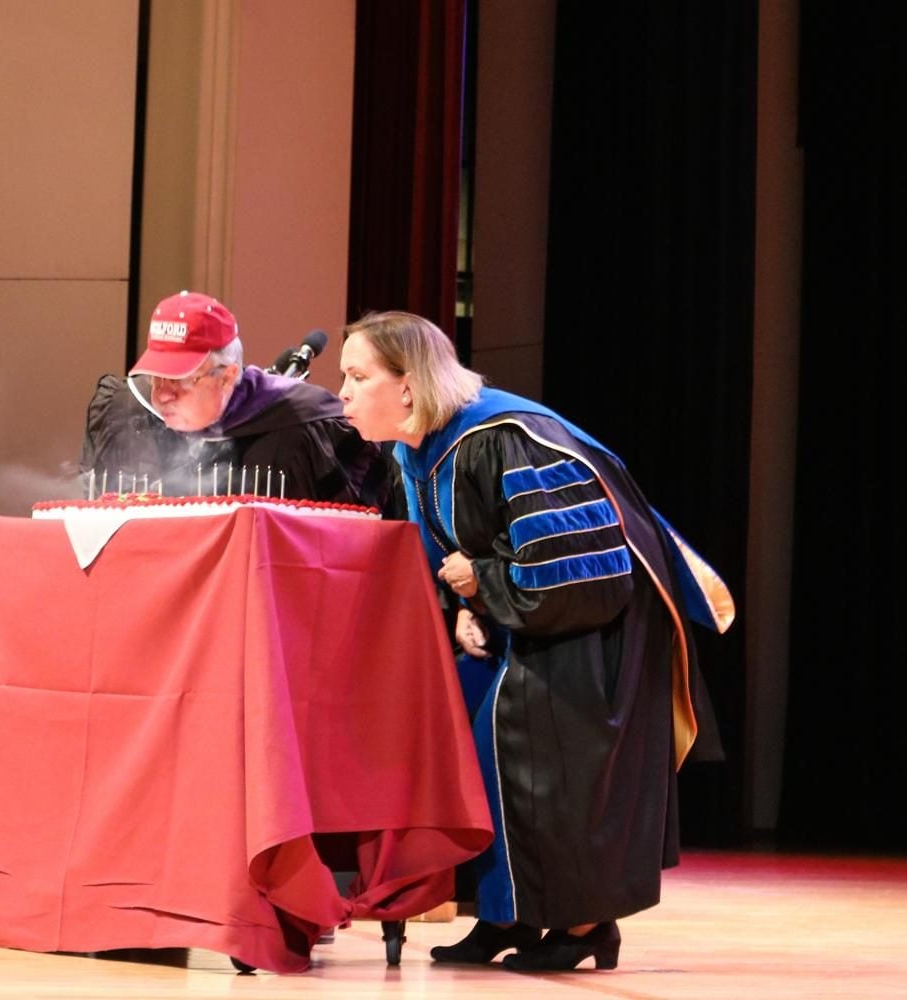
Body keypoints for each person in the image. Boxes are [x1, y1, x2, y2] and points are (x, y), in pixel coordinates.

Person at [338, 311, 734, 972]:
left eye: (357, 376)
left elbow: (582, 571)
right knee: (463, 731)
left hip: (590, 625)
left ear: (408, 386)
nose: (343, 392)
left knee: (533, 744)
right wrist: (463, 607)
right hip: (521, 615)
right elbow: (455, 554)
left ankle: (584, 925)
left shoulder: (510, 437)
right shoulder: (421, 447)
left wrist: (483, 583)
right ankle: (506, 914)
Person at [81, 290, 398, 511]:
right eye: (156, 376)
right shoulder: (125, 411)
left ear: (228, 376)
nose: (162, 393)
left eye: (180, 379)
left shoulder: (302, 425)